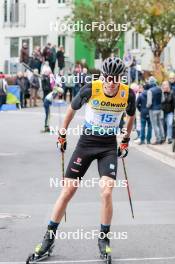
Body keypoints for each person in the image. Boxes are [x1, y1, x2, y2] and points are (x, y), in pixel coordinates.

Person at [26, 57, 136, 262]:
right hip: (86, 143)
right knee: (67, 191)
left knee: (106, 191)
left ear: (121, 78)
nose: (111, 82)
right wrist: (62, 134)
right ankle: (48, 239)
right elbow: (71, 109)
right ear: (103, 77)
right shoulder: (90, 88)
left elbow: (131, 116)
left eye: (116, 78)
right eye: (108, 78)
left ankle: (104, 239)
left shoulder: (127, 93)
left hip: (108, 147)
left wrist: (125, 140)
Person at [147, 76, 165, 144]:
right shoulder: (160, 89)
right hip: (160, 109)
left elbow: (149, 103)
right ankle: (163, 137)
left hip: (153, 110)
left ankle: (158, 139)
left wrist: (147, 107)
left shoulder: (150, 91)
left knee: (155, 125)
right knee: (160, 123)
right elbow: (163, 100)